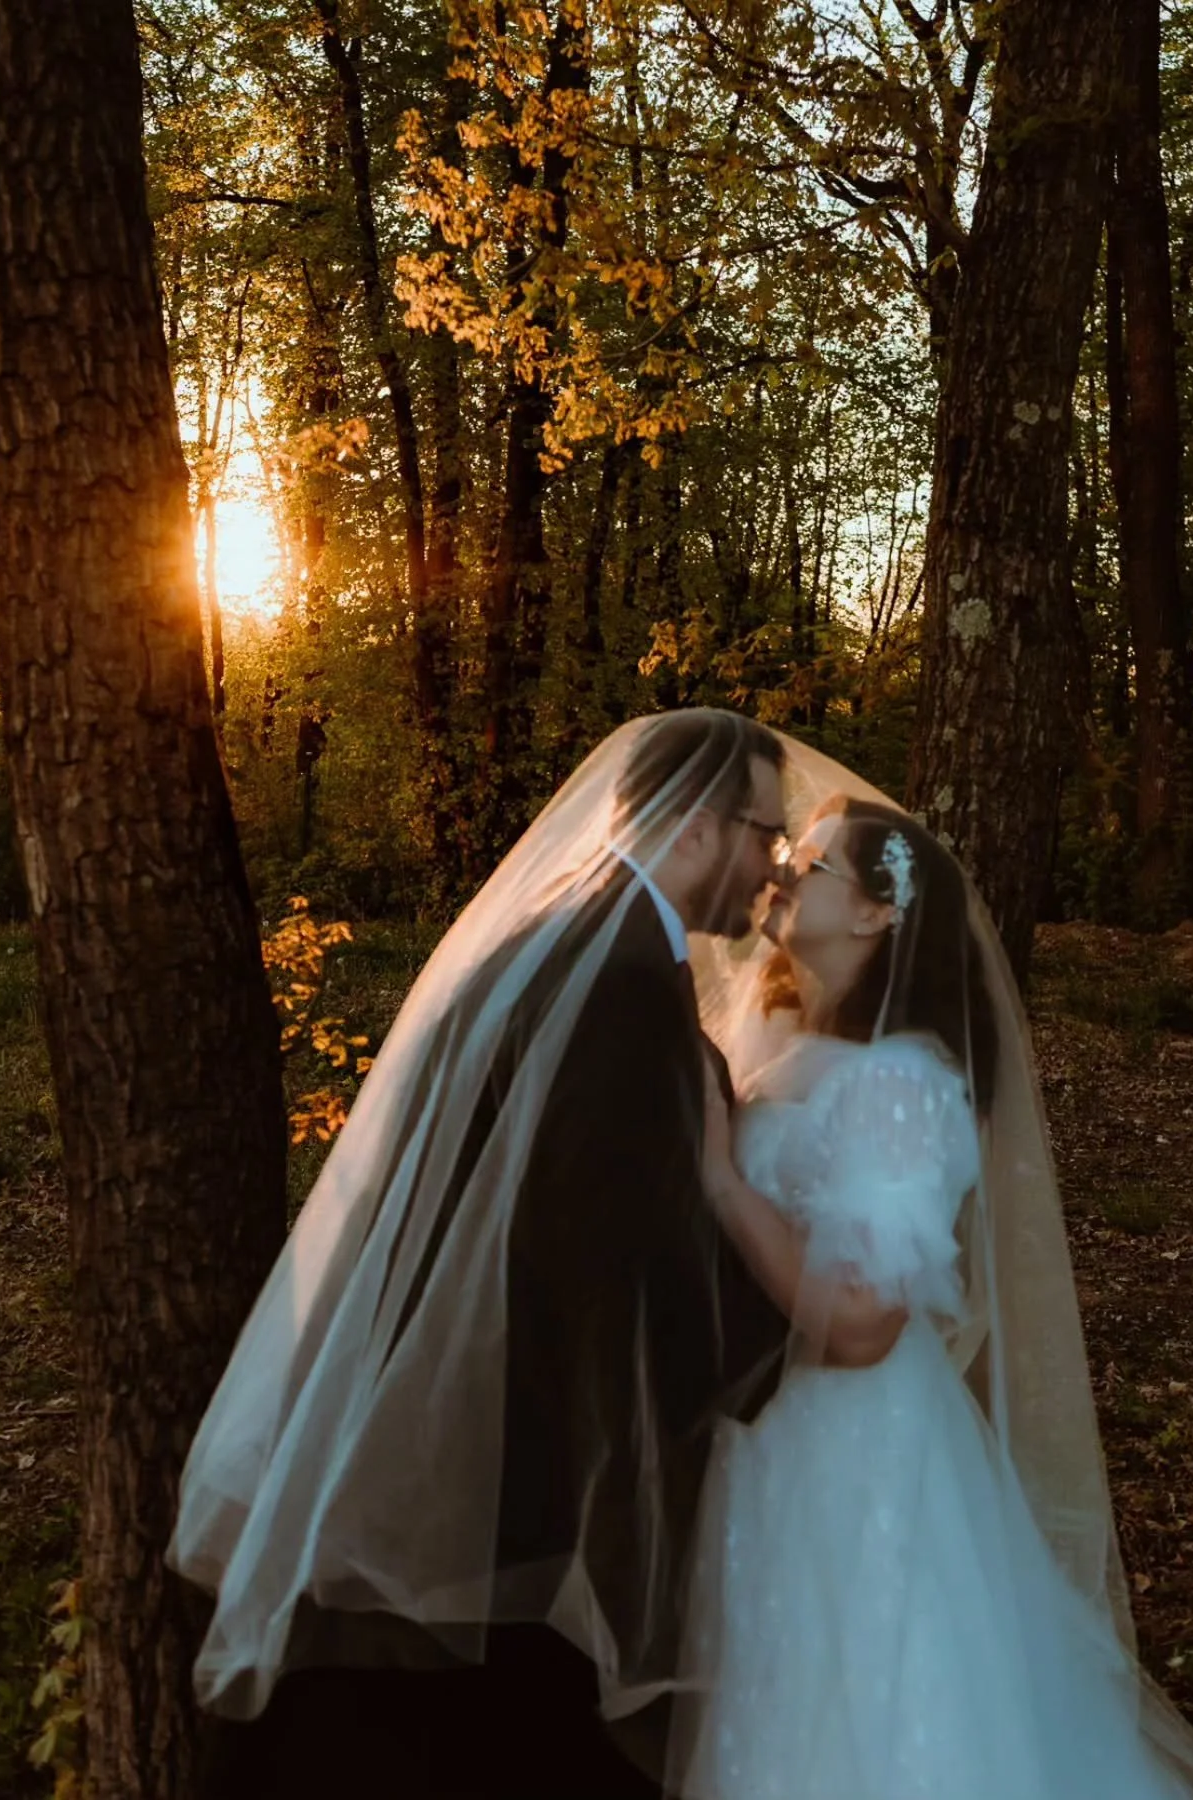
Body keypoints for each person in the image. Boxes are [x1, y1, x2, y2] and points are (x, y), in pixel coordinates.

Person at [170, 709, 793, 1799]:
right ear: (695, 825)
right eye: (764, 835)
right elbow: (615, 1278)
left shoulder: (561, 937)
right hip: (505, 1505)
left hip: (448, 1456)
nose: (772, 867)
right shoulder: (621, 986)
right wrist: (781, 1341)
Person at [669, 769, 1193, 1800]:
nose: (786, 870)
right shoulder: (788, 1054)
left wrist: (720, 1180)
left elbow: (861, 1326)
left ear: (882, 910)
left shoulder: (905, 1086)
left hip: (854, 1468)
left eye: (814, 861)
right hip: (766, 1443)